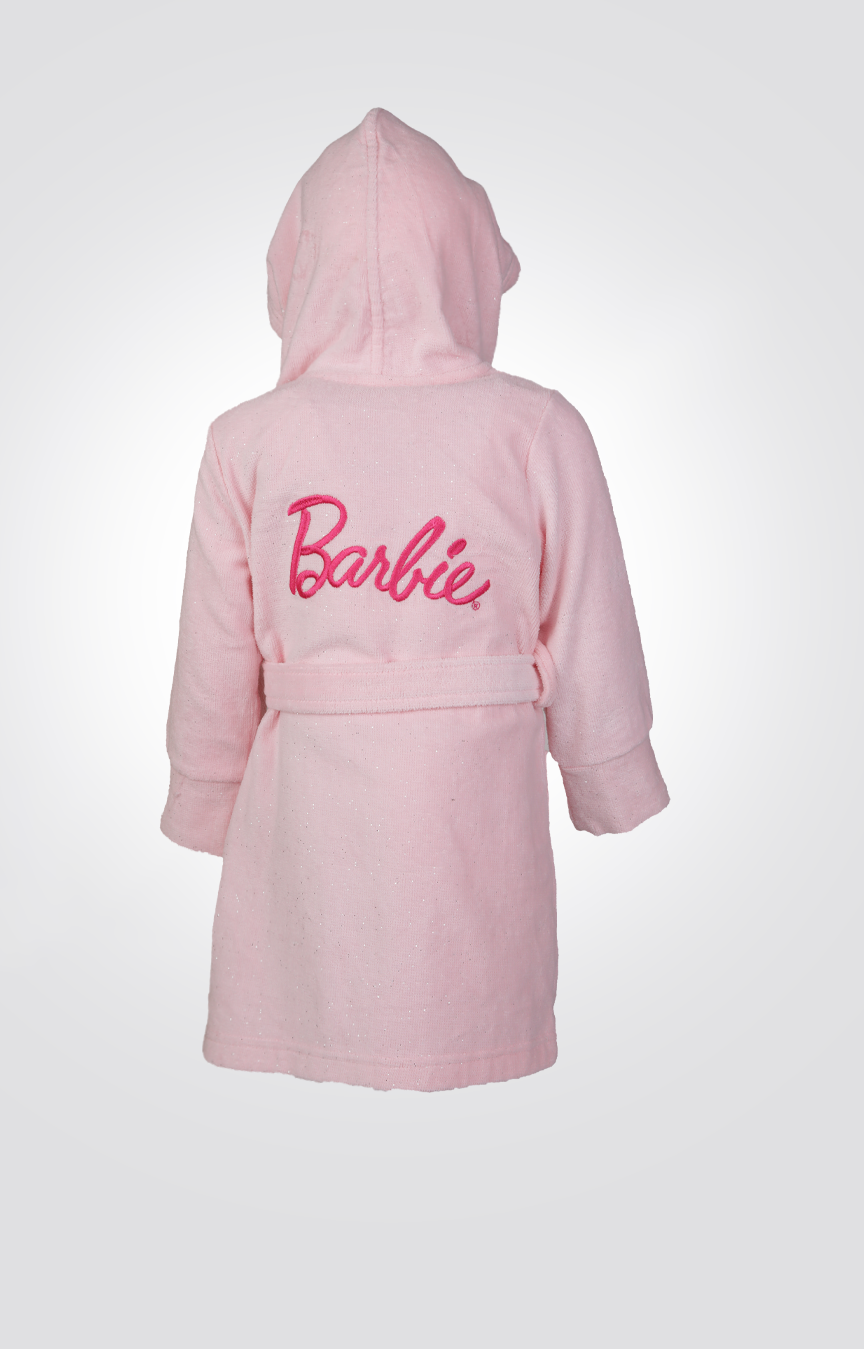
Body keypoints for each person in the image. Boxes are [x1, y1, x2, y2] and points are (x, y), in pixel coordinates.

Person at [160, 107, 670, 1091]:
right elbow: (590, 625)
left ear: (297, 269)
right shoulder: (535, 427)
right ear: (465, 260)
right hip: (476, 807)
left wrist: (205, 793)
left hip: (307, 812)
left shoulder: (249, 440)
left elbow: (213, 651)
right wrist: (609, 774)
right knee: (467, 995)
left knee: (312, 1003)